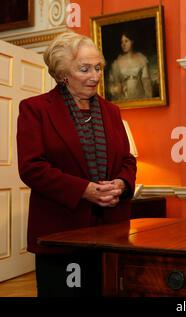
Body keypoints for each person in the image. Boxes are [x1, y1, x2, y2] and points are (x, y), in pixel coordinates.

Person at [16, 31, 137, 296]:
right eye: (85, 69)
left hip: (111, 232)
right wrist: (84, 190)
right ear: (62, 74)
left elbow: (127, 160)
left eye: (97, 68)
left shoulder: (112, 111)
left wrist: (121, 183)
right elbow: (32, 167)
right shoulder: (35, 109)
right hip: (61, 232)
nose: (94, 76)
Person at [108, 32, 154, 100]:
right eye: (122, 42)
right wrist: (116, 89)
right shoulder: (117, 63)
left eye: (126, 41)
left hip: (140, 97)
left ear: (132, 41)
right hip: (124, 98)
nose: (123, 44)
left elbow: (147, 84)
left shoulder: (141, 59)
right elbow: (113, 84)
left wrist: (149, 100)